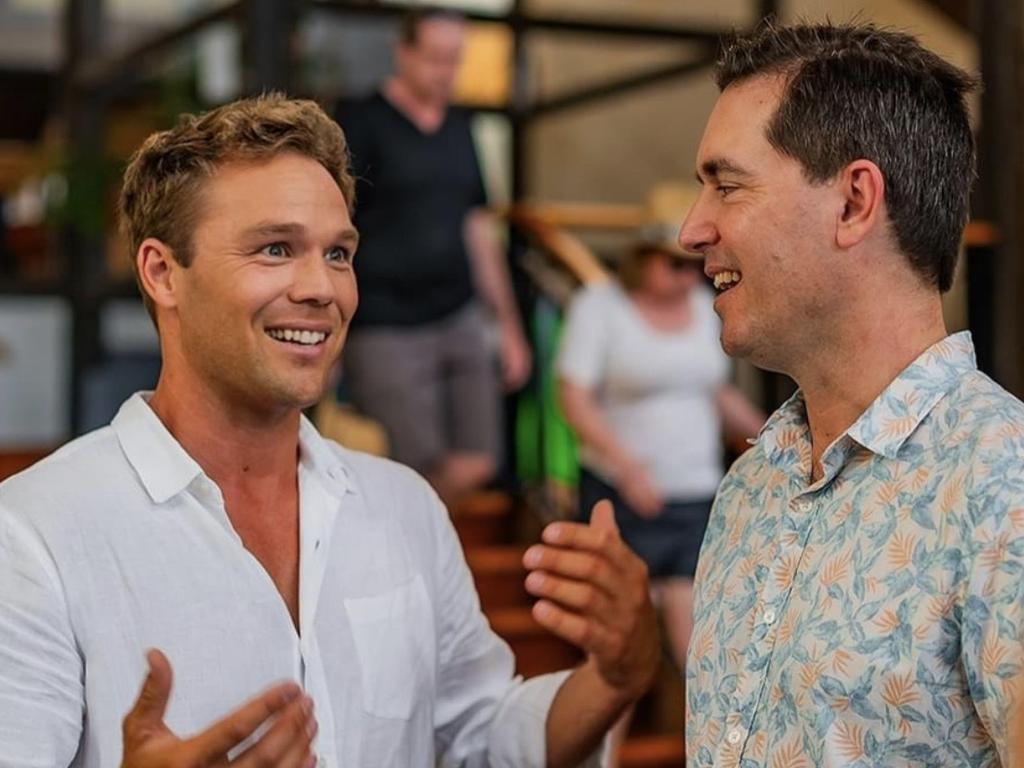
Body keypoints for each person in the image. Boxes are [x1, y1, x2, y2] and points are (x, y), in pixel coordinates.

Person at [0, 94, 659, 768]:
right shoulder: (32, 537)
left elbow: (483, 739)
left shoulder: (406, 508)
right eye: (276, 248)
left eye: (339, 254)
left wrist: (614, 678)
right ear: (162, 273)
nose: (322, 288)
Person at [679, 21, 1024, 767]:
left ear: (853, 203)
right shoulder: (748, 489)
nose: (690, 228)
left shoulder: (1004, 485)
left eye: (727, 185)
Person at [556, 223, 763, 764]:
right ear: (641, 259)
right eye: (670, 263)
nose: (683, 273)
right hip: (623, 494)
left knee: (700, 645)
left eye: (688, 262)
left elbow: (714, 389)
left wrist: (765, 434)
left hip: (694, 492)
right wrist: (626, 468)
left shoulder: (701, 305)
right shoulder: (601, 306)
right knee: (619, 643)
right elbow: (573, 397)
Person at [334, 7, 530, 507]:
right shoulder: (362, 121)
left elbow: (477, 229)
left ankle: (416, 540)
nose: (446, 72)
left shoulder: (460, 128)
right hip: (385, 323)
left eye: (454, 60)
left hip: (459, 314)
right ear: (404, 52)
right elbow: (337, 224)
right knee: (408, 465)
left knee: (481, 457)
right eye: (436, 58)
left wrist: (507, 327)